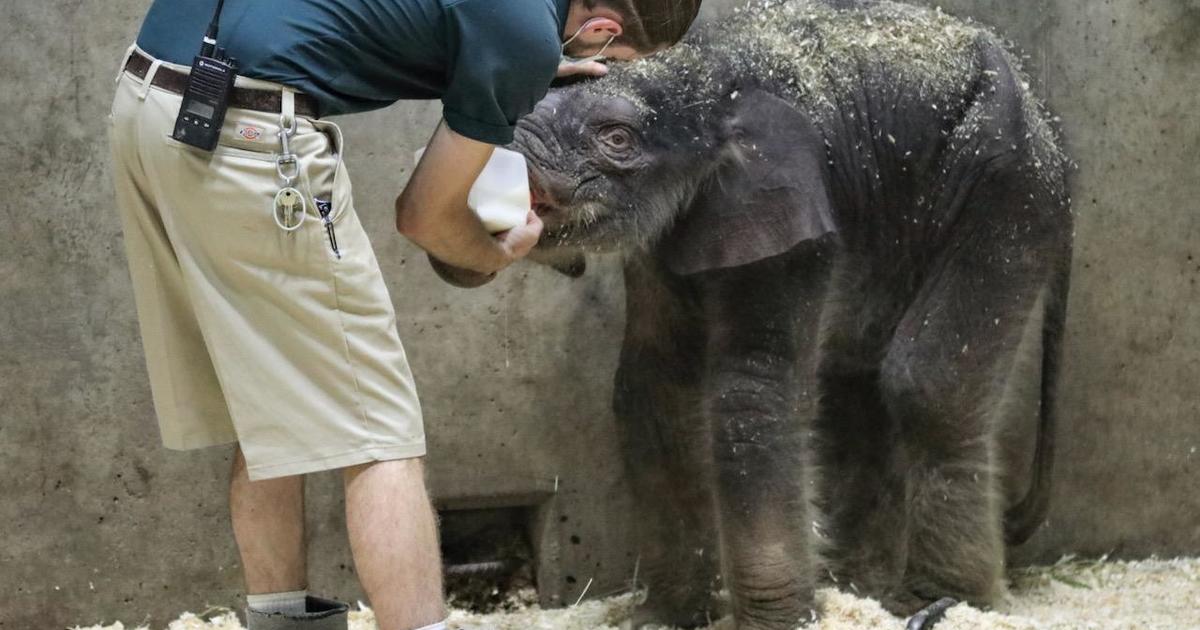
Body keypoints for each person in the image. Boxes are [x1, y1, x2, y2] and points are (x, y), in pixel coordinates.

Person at [107, 1, 702, 629]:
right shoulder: (522, 32)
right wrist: (499, 250)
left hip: (151, 100)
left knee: (270, 401)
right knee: (378, 429)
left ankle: (278, 622)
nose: (593, 64)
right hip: (249, 133)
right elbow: (423, 215)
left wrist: (527, 68)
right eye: (607, 59)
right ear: (604, 28)